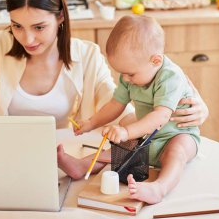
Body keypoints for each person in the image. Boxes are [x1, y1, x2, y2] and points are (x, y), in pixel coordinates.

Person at [0, 0, 208, 179]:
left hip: (60, 165)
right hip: (7, 162)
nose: (27, 39)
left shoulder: (87, 55)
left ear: (60, 17)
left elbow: (120, 105)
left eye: (39, 27)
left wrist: (190, 109)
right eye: (17, 26)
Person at [70, 15, 200, 205]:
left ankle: (159, 188)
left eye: (130, 73)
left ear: (155, 61)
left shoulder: (170, 77)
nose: (126, 79)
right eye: (122, 73)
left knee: (176, 152)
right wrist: (91, 122)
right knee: (119, 150)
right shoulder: (130, 75)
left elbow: (161, 116)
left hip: (178, 134)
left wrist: (127, 131)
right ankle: (82, 165)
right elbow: (115, 104)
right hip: (146, 136)